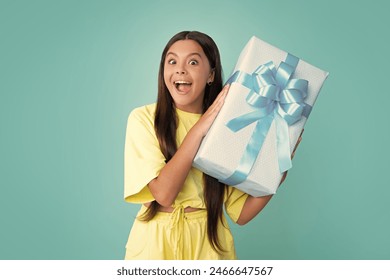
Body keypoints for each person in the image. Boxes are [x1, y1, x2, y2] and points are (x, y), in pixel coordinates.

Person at [123, 31, 300, 260]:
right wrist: (200, 129)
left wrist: (279, 168)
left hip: (210, 244)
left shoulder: (230, 127)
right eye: (172, 61)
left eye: (193, 62)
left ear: (211, 75)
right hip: (153, 245)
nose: (180, 69)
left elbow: (242, 214)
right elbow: (164, 194)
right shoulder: (144, 119)